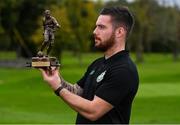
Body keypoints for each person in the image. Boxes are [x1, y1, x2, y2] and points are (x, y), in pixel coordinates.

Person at [40, 6, 139, 124]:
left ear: (119, 32)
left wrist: (58, 87)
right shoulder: (97, 64)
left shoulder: (124, 70)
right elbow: (77, 91)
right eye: (96, 26)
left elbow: (93, 111)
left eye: (101, 27)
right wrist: (56, 79)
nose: (95, 31)